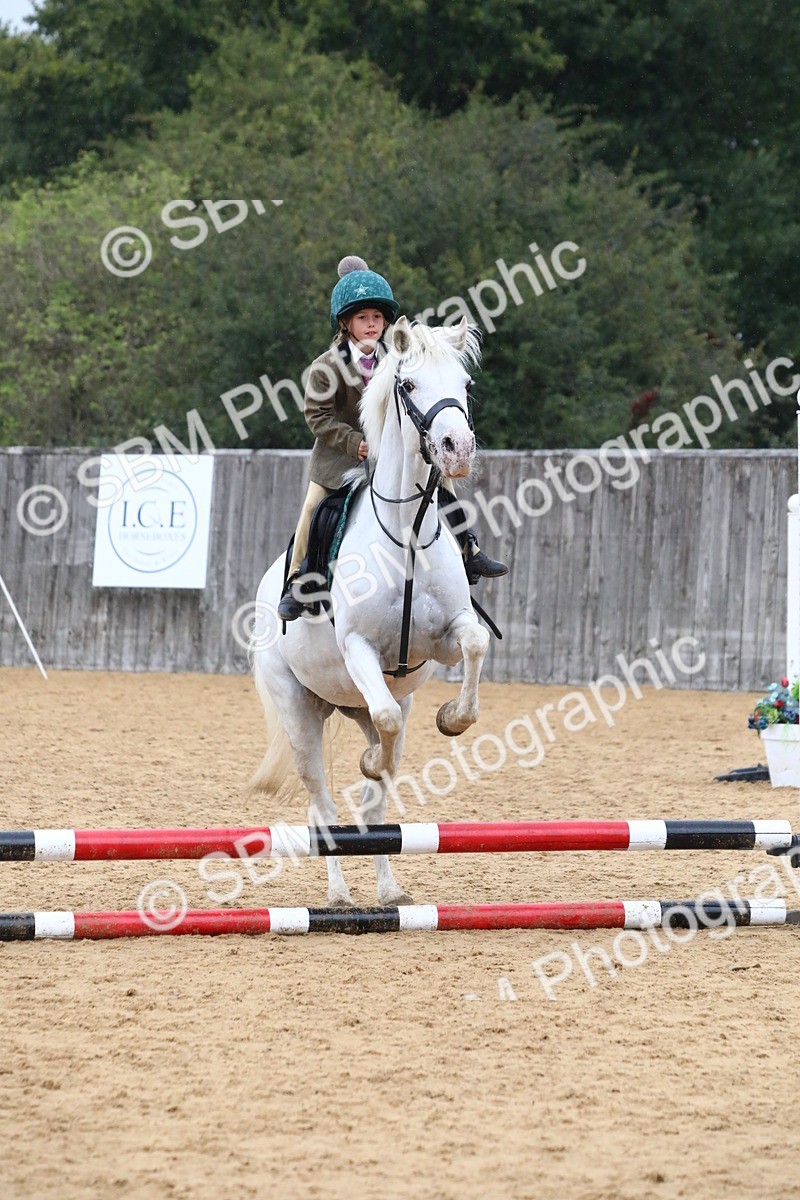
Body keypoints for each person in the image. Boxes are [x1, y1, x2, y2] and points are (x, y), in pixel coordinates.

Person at [277, 255, 508, 621]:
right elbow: (316, 417)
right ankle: (296, 580)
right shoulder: (325, 366)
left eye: (377, 318)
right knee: (312, 508)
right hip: (339, 459)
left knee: (442, 487)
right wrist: (356, 443)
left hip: (391, 456)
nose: (372, 325)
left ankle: (470, 549)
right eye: (363, 318)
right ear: (346, 323)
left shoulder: (399, 357)